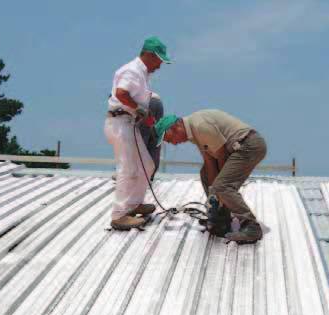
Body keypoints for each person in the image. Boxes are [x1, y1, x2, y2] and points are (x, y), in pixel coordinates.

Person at [154, 110, 267, 243]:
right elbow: (210, 162)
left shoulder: (200, 126)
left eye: (169, 139)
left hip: (248, 146)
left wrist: (218, 192)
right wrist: (213, 195)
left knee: (223, 185)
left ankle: (251, 226)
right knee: (206, 175)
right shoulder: (194, 133)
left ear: (174, 128)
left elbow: (222, 158)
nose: (172, 143)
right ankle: (220, 220)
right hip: (237, 148)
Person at [105, 36, 171, 230]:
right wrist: (138, 109)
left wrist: (144, 113)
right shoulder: (133, 70)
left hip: (127, 122)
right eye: (159, 61)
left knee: (147, 165)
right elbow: (121, 93)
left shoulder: (141, 73)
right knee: (127, 169)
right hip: (120, 123)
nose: (159, 66)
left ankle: (133, 205)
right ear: (150, 55)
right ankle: (119, 215)